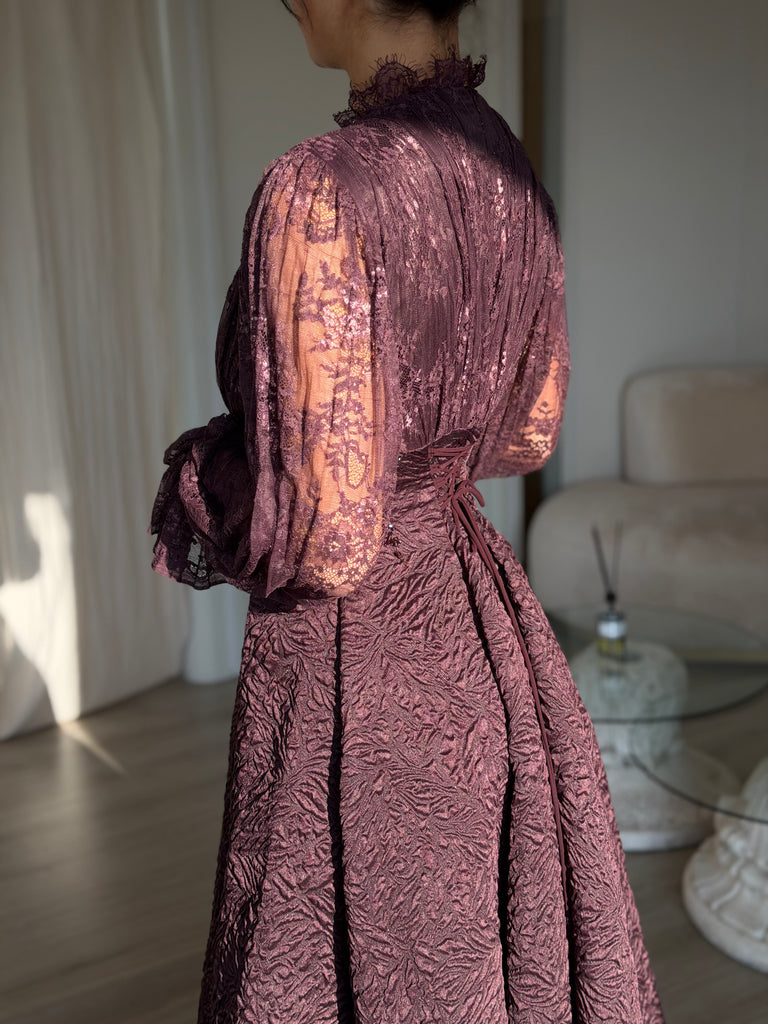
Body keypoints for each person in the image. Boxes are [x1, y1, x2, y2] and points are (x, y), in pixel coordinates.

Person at [148, 1, 666, 1021]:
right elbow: (527, 435)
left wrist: (210, 477)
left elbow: (331, 539)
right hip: (477, 619)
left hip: (360, 659)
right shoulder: (511, 174)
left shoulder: (317, 190)